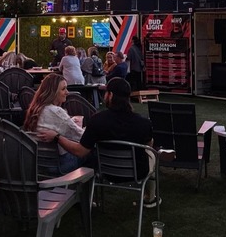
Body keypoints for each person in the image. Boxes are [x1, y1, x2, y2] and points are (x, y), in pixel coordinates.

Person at [38, 78, 158, 207]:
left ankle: (86, 199)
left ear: (110, 95)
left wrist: (57, 137)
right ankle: (150, 198)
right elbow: (148, 145)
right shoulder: (143, 123)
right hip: (137, 171)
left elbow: (80, 151)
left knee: (90, 156)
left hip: (105, 169)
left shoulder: (98, 120)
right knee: (152, 153)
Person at [24, 74, 84, 173]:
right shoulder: (57, 112)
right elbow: (82, 138)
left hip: (38, 164)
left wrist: (70, 121)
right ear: (53, 92)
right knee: (90, 152)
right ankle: (91, 184)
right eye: (63, 89)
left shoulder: (35, 109)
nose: (67, 92)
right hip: (60, 165)